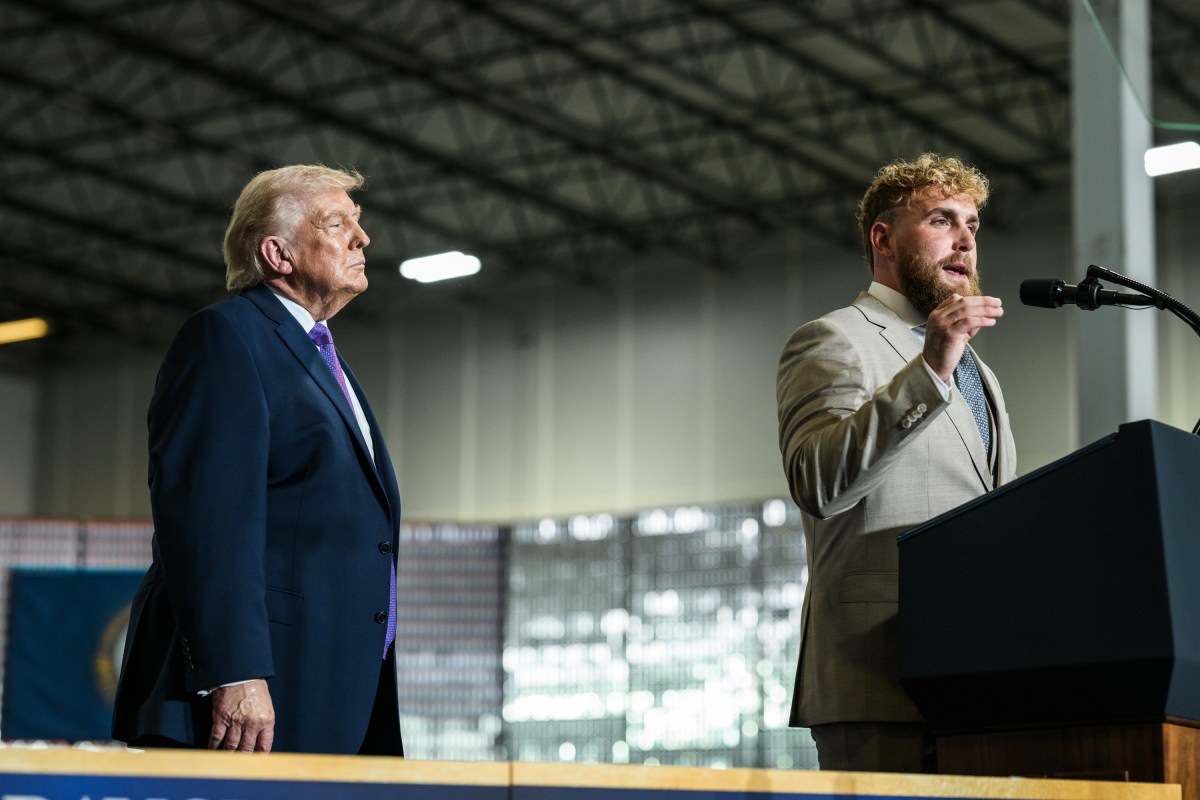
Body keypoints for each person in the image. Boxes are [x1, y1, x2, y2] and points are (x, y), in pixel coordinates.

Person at [112, 165, 404, 756]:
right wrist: (234, 671)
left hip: (331, 681)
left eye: (358, 223)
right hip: (254, 695)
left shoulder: (320, 358)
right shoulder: (226, 337)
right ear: (277, 253)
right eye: (336, 222)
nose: (361, 238)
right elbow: (205, 518)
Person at [775, 153, 1017, 773]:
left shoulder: (979, 371)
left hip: (975, 676)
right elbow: (819, 482)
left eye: (971, 225)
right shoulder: (835, 338)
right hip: (876, 674)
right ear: (883, 239)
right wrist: (930, 368)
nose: (964, 240)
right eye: (942, 220)